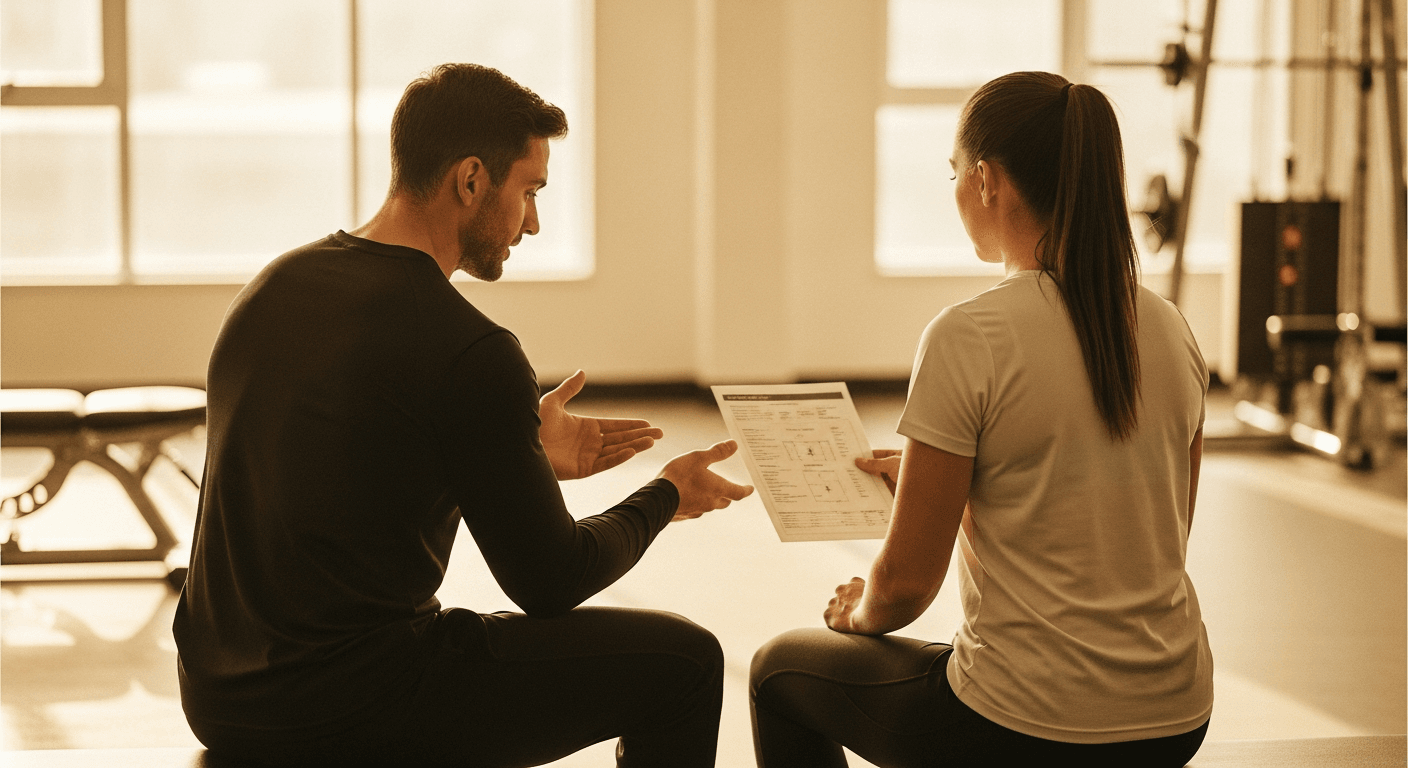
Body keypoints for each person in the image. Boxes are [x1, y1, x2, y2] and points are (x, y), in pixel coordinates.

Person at [173, 63, 753, 768]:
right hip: (352, 703)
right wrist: (666, 495)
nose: (533, 223)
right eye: (530, 190)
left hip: (219, 697)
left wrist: (519, 452)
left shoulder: (272, 288)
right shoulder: (470, 349)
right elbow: (551, 580)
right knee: (686, 662)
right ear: (472, 179)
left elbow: (342, 469)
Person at [749, 71, 1212, 766]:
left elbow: (904, 588)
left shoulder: (968, 335)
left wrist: (857, 612)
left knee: (780, 671)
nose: (957, 189)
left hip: (1025, 727)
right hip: (1176, 715)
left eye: (955, 173)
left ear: (988, 181)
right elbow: (1151, 529)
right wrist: (959, 484)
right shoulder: (1172, 328)